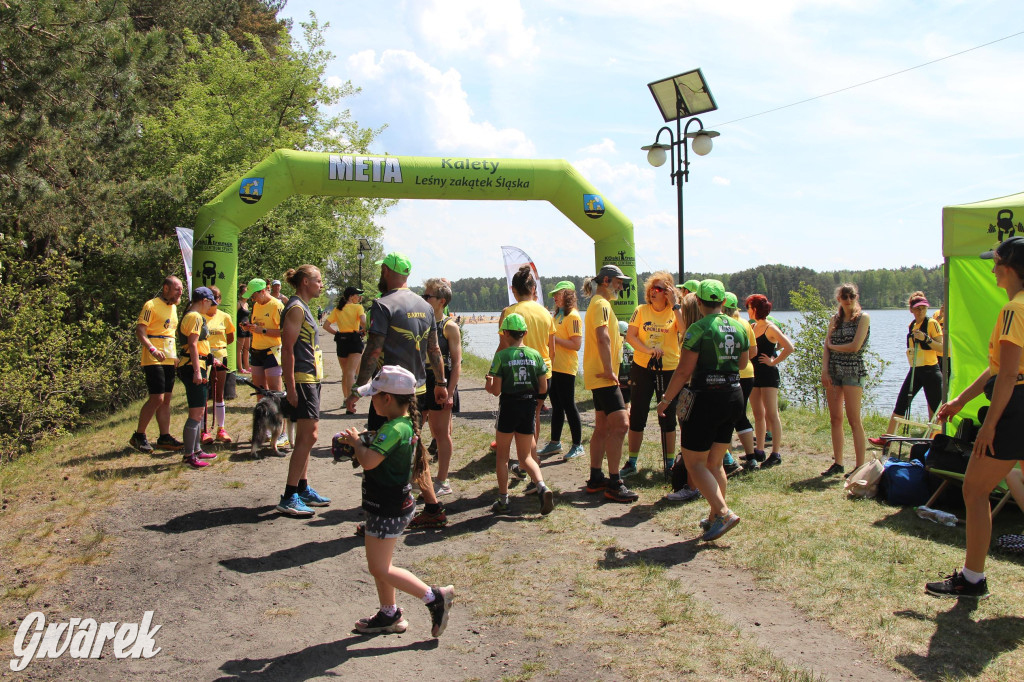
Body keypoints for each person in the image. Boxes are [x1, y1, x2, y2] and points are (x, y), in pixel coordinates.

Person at [925, 236, 1024, 598]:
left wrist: (990, 426)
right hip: (1016, 399)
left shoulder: (1014, 309)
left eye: (996, 262)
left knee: (974, 488)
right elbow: (997, 367)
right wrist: (958, 400)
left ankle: (972, 579)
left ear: (1010, 268)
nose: (993, 268)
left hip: (1015, 407)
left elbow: (1009, 376)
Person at [339, 365, 455, 635]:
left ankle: (434, 597)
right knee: (382, 564)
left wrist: (358, 444)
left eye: (374, 395)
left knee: (379, 567)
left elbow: (368, 462)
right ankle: (388, 613)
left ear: (387, 398)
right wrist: (362, 442)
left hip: (388, 507)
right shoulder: (399, 426)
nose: (372, 400)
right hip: (385, 503)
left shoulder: (394, 429)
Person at [345, 252, 449, 529]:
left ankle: (379, 514)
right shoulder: (425, 306)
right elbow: (434, 349)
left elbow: (374, 349)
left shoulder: (382, 304)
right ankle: (433, 507)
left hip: (389, 393)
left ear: (386, 272)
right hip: (418, 389)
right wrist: (440, 383)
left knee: (381, 450)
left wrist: (358, 388)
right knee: (412, 448)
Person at [658, 279, 750, 541]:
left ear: (698, 302)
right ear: (722, 302)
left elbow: (684, 370)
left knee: (694, 462)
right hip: (734, 395)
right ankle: (713, 518)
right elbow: (743, 363)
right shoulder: (739, 326)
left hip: (706, 397)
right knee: (715, 462)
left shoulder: (697, 329)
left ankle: (722, 512)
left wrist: (666, 400)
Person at [274, 265, 332, 517]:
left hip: (311, 377)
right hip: (302, 379)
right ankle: (289, 496)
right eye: (318, 280)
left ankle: (303, 487)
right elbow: (286, 349)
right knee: (309, 437)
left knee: (305, 437)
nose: (322, 284)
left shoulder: (303, 306)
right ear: (306, 282)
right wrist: (290, 386)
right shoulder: (296, 308)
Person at [486, 313, 555, 515]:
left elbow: (496, 390)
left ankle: (503, 500)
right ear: (524, 333)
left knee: (503, 457)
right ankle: (542, 486)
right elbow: (543, 386)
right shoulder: (536, 355)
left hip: (508, 407)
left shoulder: (502, 356)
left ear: (505, 333)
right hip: (528, 407)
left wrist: (489, 383)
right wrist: (538, 401)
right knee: (525, 458)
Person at [582, 264, 639, 503]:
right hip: (604, 376)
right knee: (622, 425)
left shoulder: (598, 304)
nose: (622, 286)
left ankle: (596, 477)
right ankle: (615, 482)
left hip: (598, 375)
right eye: (618, 281)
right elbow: (602, 335)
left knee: (603, 426)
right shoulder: (602, 304)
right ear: (605, 281)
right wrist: (609, 369)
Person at [496, 266, 556, 479]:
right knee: (533, 416)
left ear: (513, 290)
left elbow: (503, 347)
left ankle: (529, 461)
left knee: (515, 420)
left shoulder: (509, 312)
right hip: (543, 373)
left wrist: (494, 372)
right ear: (533, 289)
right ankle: (529, 460)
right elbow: (552, 350)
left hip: (515, 373)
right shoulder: (545, 312)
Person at [623, 271, 684, 477]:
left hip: (669, 369)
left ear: (668, 292)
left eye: (659, 289)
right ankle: (631, 462)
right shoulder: (640, 310)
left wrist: (676, 305)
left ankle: (669, 464)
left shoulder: (675, 312)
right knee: (638, 413)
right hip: (643, 367)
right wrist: (648, 350)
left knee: (667, 417)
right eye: (651, 289)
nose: (653, 292)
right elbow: (630, 337)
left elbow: (685, 331)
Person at [870, 291, 944, 447]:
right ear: (911, 310)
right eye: (917, 308)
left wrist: (927, 339)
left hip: (931, 371)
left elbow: (942, 348)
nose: (921, 311)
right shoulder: (912, 325)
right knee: (901, 402)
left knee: (937, 408)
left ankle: (938, 440)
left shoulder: (932, 323)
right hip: (916, 371)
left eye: (923, 308)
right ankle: (888, 439)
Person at [130, 275, 185, 454]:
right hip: (153, 357)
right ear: (166, 288)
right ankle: (139, 435)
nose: (180, 292)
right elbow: (140, 330)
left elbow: (169, 333)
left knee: (166, 399)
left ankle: (164, 437)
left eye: (182, 289)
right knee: (157, 398)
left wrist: (174, 355)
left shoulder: (174, 308)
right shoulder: (151, 305)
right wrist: (152, 349)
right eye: (177, 288)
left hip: (169, 357)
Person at [821, 283, 871, 476]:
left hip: (853, 370)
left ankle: (859, 466)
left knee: (854, 419)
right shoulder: (835, 319)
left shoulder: (863, 318)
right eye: (844, 297)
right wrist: (825, 370)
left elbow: (855, 346)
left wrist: (833, 347)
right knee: (835, 418)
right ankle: (838, 463)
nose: (848, 300)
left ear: (856, 297)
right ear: (839, 299)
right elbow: (826, 346)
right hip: (834, 371)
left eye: (852, 296)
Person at [422, 278, 461, 496]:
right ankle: (420, 475)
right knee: (416, 431)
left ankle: (442, 480)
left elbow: (456, 363)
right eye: (424, 295)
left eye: (428, 296)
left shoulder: (450, 326)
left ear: (442, 301)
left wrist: (449, 391)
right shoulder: (423, 322)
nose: (424, 299)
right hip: (422, 381)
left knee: (440, 433)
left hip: (441, 382)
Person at [745, 294, 794, 467]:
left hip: (768, 375)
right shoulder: (752, 326)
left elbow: (789, 347)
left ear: (755, 308)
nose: (747, 311)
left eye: (749, 308)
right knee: (758, 414)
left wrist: (773, 361)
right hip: (754, 374)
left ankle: (775, 453)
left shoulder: (770, 328)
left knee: (771, 413)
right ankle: (759, 450)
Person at [539, 281, 584, 461]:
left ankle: (578, 445)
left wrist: (554, 340)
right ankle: (555, 442)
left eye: (558, 294)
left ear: (568, 295)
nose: (555, 297)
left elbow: (576, 344)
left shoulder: (573, 316)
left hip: (566, 368)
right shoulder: (557, 315)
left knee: (569, 405)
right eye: (554, 295)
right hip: (554, 367)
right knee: (557, 406)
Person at [176, 287, 219, 468]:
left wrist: (209, 358)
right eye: (210, 303)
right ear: (204, 301)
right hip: (194, 368)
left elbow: (199, 345)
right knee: (195, 414)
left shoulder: (191, 315)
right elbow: (193, 345)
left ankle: (196, 449)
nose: (211, 307)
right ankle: (188, 455)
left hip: (199, 365)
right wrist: (196, 371)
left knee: (199, 412)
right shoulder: (194, 317)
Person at [722, 292, 758, 470]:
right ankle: (751, 457)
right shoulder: (744, 323)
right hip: (747, 373)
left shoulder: (720, 324)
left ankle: (726, 457)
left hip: (729, 374)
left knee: (725, 416)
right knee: (741, 414)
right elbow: (753, 351)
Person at [200, 286, 236, 444]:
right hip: (203, 358)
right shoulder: (199, 316)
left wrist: (218, 348)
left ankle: (221, 429)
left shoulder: (225, 317)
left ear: (220, 300)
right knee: (203, 395)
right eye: (211, 297)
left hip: (220, 356)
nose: (214, 300)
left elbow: (230, 337)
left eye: (216, 297)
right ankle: (204, 431)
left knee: (219, 394)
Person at [323, 286, 366, 407]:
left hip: (342, 340)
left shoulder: (338, 309)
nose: (359, 297)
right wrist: (365, 330)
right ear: (351, 296)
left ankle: (345, 398)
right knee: (351, 372)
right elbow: (363, 322)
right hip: (354, 339)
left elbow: (326, 325)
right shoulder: (358, 307)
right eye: (357, 295)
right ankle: (350, 402)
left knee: (345, 373)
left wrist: (336, 333)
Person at [236, 284, 252, 374]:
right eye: (245, 292)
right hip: (240, 328)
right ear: (241, 294)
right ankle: (240, 368)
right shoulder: (239, 303)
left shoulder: (247, 304)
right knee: (240, 349)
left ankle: (247, 366)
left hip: (247, 328)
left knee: (247, 348)